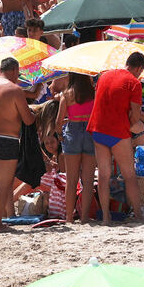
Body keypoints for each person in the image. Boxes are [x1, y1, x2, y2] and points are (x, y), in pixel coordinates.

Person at [87, 52, 144, 225]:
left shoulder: (104, 75)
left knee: (104, 176)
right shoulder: (134, 82)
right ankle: (138, 215)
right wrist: (128, 127)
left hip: (98, 128)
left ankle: (106, 217)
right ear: (139, 68)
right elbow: (135, 114)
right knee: (129, 175)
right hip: (117, 131)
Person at [0, 58, 35, 233]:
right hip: (7, 140)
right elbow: (27, 120)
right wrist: (34, 114)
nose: (18, 78)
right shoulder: (15, 90)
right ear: (13, 70)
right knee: (4, 185)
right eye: (18, 74)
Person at [55, 73, 97, 223]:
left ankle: (69, 217)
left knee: (71, 180)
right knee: (88, 180)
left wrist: (60, 136)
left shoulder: (66, 94)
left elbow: (58, 122)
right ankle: (84, 216)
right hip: (90, 132)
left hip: (72, 131)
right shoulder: (93, 92)